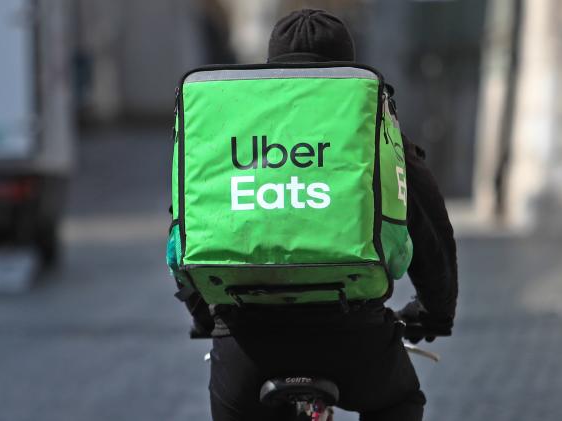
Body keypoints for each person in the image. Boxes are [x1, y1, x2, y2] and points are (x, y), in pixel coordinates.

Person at [179, 9, 458, 421]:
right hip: (355, 341)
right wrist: (435, 310)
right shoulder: (373, 130)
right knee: (399, 402)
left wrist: (206, 313)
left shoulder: (226, 133)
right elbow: (429, 230)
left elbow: (185, 232)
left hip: (246, 347)